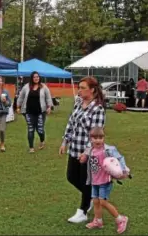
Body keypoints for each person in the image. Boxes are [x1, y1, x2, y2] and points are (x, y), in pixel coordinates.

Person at [59, 76, 106, 223]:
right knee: (71, 177)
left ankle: (83, 211)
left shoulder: (97, 109)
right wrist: (64, 141)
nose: (79, 90)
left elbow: (96, 134)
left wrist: (87, 153)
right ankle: (93, 197)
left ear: (92, 90)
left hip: (88, 152)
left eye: (82, 88)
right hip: (74, 148)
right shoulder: (78, 103)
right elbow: (71, 122)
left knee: (85, 181)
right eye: (79, 87)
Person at [79, 127, 129, 234]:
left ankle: (121, 219)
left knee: (103, 202)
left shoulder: (108, 150)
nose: (98, 140)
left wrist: (123, 170)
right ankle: (98, 221)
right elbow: (85, 158)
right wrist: (83, 158)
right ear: (90, 139)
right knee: (96, 201)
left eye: (100, 138)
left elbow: (120, 158)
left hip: (105, 181)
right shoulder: (90, 149)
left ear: (104, 138)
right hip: (94, 181)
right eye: (95, 138)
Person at [16, 71, 52, 153]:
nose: (36, 78)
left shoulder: (43, 87)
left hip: (40, 112)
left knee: (40, 129)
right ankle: (31, 147)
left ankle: (42, 141)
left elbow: (48, 97)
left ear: (39, 78)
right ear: (32, 78)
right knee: (31, 129)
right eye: (34, 77)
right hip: (28, 111)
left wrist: (49, 107)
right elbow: (21, 97)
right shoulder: (26, 87)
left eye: (37, 77)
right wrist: (18, 106)